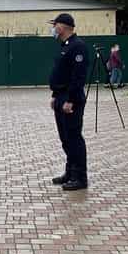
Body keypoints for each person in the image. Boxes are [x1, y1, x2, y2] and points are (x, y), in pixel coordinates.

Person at [48, 13, 89, 191]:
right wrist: (55, 96)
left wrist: (70, 100)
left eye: (55, 25)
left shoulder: (77, 46)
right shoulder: (65, 45)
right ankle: (70, 173)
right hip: (61, 97)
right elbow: (61, 73)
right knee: (65, 139)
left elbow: (78, 77)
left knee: (74, 138)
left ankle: (80, 177)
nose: (53, 28)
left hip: (70, 99)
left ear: (62, 27)